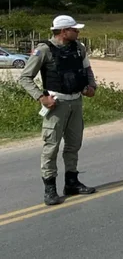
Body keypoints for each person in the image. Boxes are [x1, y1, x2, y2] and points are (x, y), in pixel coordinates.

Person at [19, 15, 98, 206]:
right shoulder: (44, 50)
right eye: (74, 29)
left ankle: (71, 182)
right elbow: (25, 77)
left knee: (73, 144)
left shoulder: (79, 48)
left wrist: (91, 86)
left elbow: (87, 69)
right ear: (64, 31)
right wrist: (41, 97)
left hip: (76, 102)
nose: (78, 32)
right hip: (56, 104)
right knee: (51, 147)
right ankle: (50, 189)